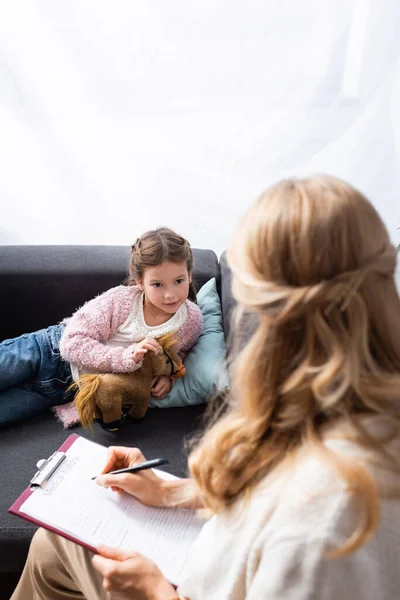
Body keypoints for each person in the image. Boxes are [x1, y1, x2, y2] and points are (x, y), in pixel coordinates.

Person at [11, 175, 400, 600]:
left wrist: (154, 593)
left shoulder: (324, 523)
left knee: (57, 550)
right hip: (56, 357)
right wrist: (172, 491)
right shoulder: (334, 404)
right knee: (52, 548)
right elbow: (265, 487)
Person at [0, 228, 203, 428]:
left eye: (179, 281)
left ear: (190, 276)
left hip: (63, 389)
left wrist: (169, 378)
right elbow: (71, 342)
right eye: (157, 285)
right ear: (141, 282)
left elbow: (179, 354)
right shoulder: (122, 300)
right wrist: (125, 358)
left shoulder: (191, 320)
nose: (170, 294)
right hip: (45, 352)